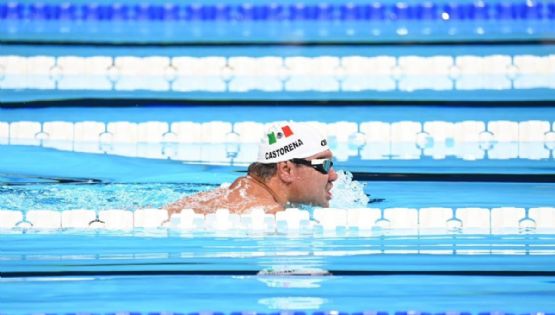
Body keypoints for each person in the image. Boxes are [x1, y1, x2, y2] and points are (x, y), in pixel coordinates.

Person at [165, 122, 338, 216]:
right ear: (286, 170)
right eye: (323, 164)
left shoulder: (230, 192)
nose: (333, 176)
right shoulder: (268, 215)